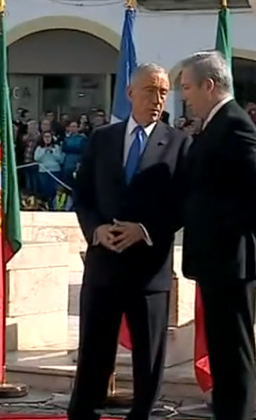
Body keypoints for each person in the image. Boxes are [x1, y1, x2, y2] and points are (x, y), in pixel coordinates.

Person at [68, 63, 191, 420]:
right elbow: (83, 196)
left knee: (148, 358)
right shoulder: (103, 138)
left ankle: (141, 416)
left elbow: (184, 204)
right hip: (103, 266)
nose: (157, 99)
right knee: (93, 352)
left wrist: (145, 230)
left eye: (164, 92)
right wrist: (96, 230)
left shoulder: (180, 144)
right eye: (150, 90)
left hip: (148, 271)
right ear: (130, 93)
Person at [178, 51, 256, 420]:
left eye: (188, 87)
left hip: (232, 257)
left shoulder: (233, 122)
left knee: (234, 346)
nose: (185, 96)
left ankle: (236, 412)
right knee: (222, 346)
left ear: (209, 85)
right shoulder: (214, 122)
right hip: (217, 257)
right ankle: (226, 409)